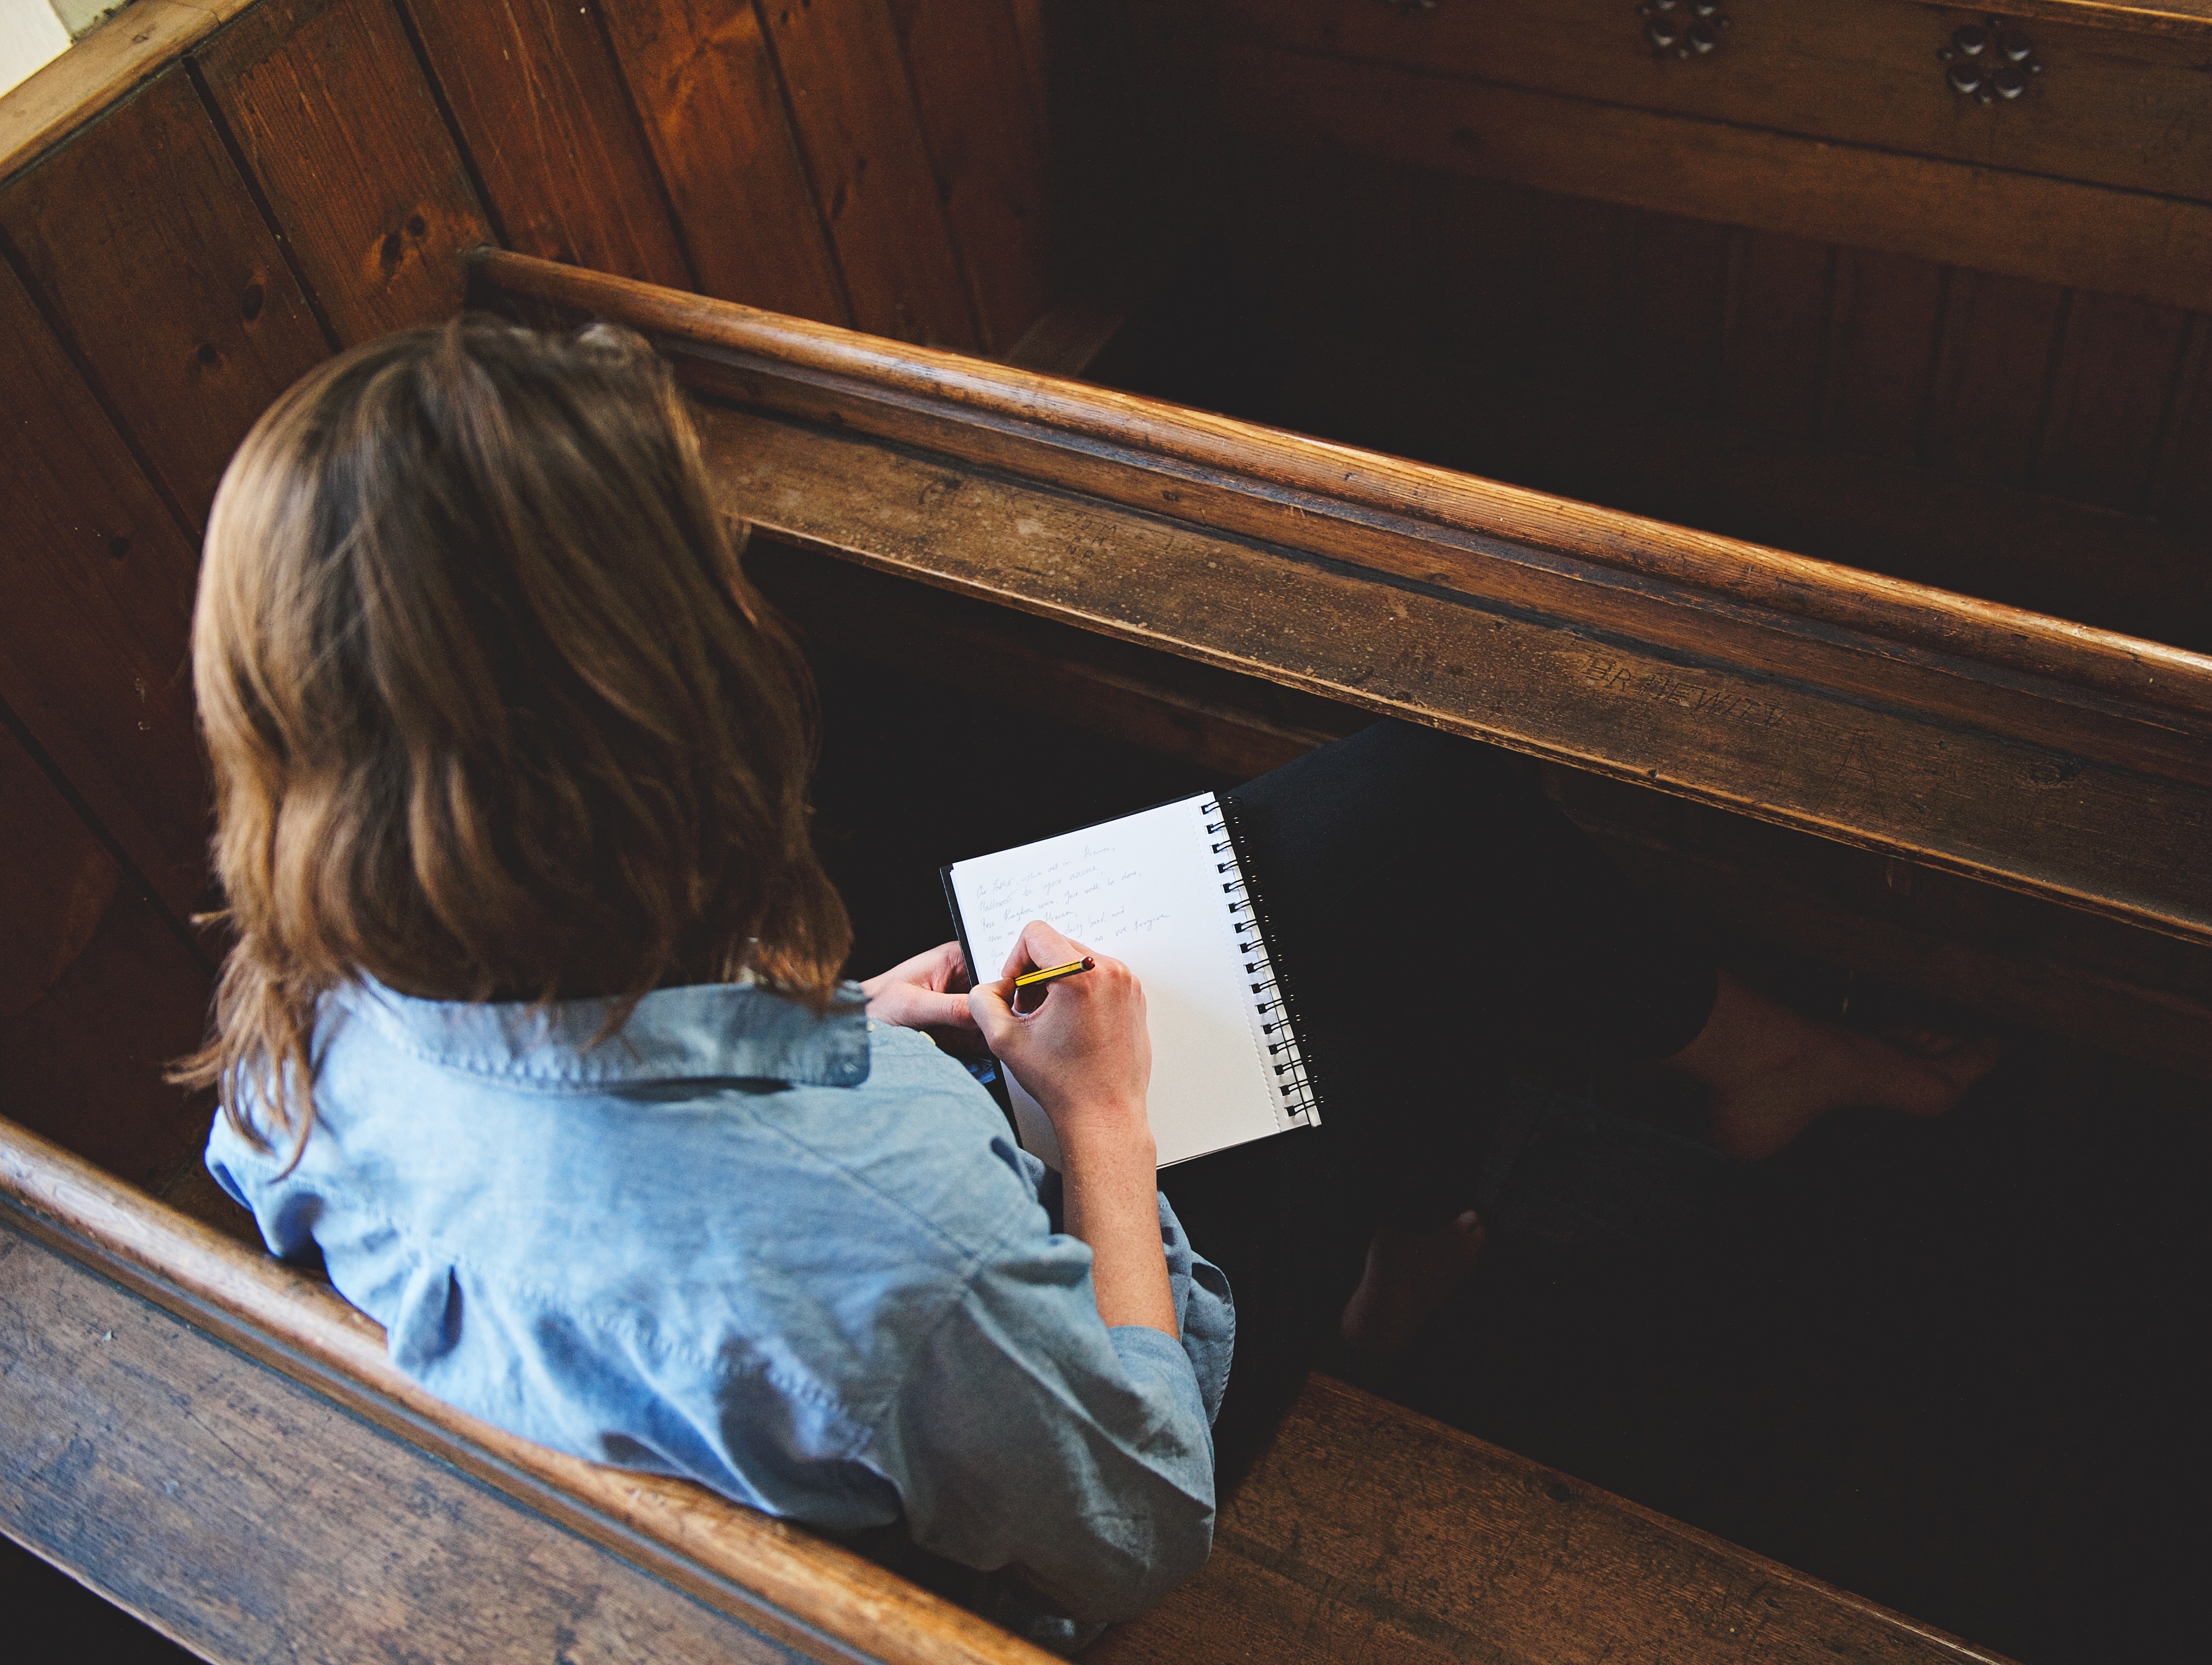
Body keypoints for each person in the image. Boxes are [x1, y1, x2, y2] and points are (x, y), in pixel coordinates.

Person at [189, 319, 1996, 1645]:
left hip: (770, 1232)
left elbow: (574, 1176)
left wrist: (823, 1027)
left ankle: (1664, 1100)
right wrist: (1104, 1122)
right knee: (1402, 908)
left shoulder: (309, 1016)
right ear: (660, 719)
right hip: (1087, 1362)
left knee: (1383, 823)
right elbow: (1137, 1519)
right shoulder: (911, 1250)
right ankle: (1421, 1246)